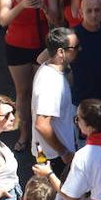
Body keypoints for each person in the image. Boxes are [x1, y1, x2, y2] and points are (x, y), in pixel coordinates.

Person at [0, 0, 58, 152]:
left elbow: (57, 21)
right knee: (23, 92)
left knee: (41, 92)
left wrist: (43, 7)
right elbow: (3, 20)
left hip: (41, 47)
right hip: (17, 47)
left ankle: (42, 132)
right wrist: (21, 5)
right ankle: (24, 132)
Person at [31, 27, 79, 171]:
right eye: (75, 47)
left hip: (50, 152)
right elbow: (42, 124)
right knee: (57, 192)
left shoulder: (49, 66)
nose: (79, 50)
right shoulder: (51, 84)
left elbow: (40, 58)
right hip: (53, 157)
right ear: (60, 52)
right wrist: (64, 152)